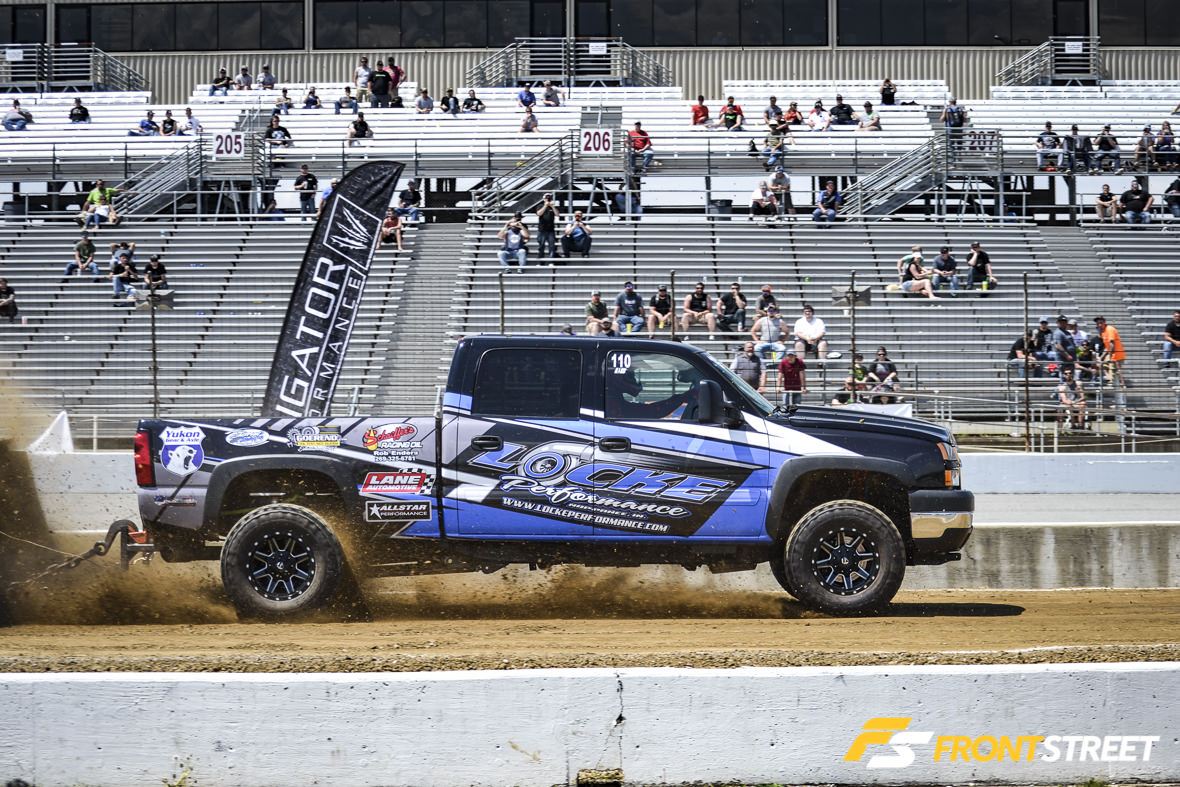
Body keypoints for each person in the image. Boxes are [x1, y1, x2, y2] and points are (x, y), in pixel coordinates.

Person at [1094, 315, 1126, 386]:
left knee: (1112, 371)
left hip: (1117, 355)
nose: (1099, 325)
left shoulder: (1109, 329)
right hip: (1112, 354)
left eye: (1101, 323)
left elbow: (1112, 344)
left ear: (1105, 322)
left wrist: (1111, 357)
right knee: (1103, 364)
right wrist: (1101, 357)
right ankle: (1113, 381)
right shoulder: (1103, 332)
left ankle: (1112, 384)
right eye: (1098, 323)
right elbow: (1107, 347)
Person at [535, 193, 560, 261]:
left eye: (549, 198)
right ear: (544, 199)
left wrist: (552, 206)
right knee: (541, 246)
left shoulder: (552, 206)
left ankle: (551, 261)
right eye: (547, 198)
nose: (548, 199)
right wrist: (545, 205)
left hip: (551, 230)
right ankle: (540, 261)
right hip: (542, 230)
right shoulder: (540, 206)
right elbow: (539, 213)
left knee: (552, 246)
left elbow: (557, 214)